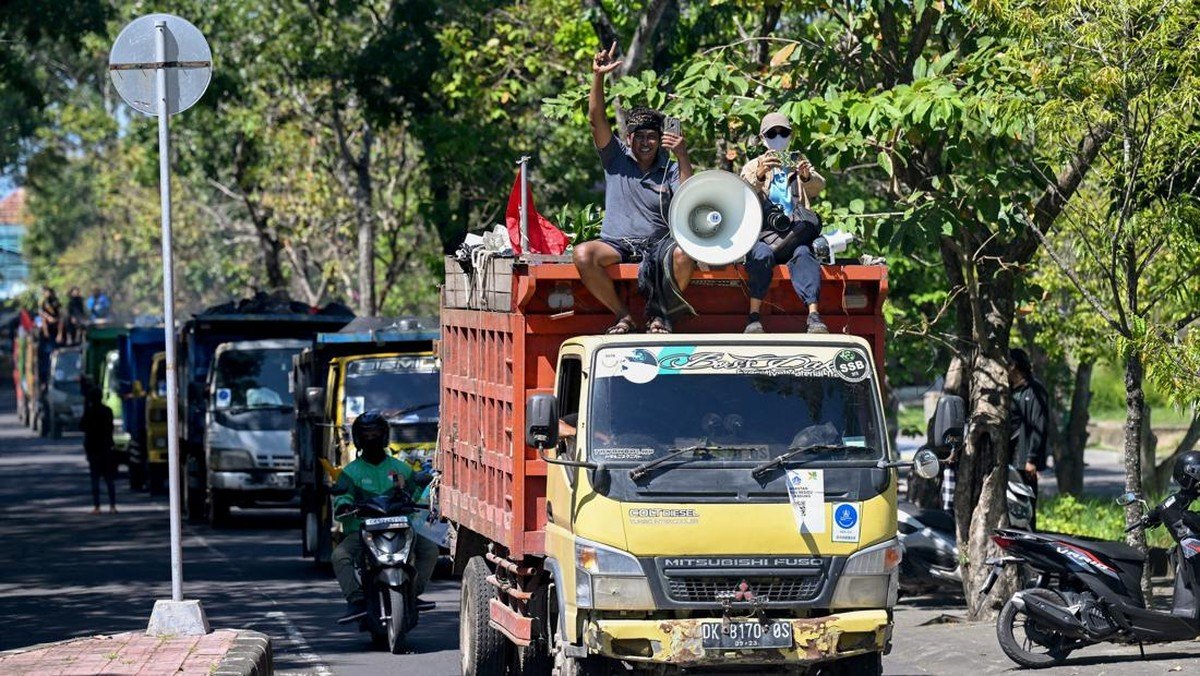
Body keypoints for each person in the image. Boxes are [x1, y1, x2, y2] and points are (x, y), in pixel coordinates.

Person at [573, 42, 695, 335]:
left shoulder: (669, 167)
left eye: (651, 136)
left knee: (684, 253)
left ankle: (660, 315)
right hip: (616, 244)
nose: (645, 142)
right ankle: (624, 315)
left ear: (660, 139)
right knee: (583, 254)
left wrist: (682, 155)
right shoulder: (615, 158)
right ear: (628, 139)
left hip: (658, 247)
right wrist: (598, 76)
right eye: (638, 136)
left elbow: (689, 196)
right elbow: (596, 120)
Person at [332, 411, 439, 624]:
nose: (371, 438)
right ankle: (355, 600)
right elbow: (342, 496)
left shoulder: (399, 468)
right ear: (358, 438)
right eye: (366, 434)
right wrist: (344, 504)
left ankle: (413, 592)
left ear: (384, 436)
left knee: (430, 550)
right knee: (339, 556)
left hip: (400, 527)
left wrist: (422, 485)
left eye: (375, 433)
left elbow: (414, 491)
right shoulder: (350, 472)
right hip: (363, 530)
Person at [740, 112, 829, 334]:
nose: (778, 137)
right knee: (761, 256)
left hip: (794, 233)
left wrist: (806, 176)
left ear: (791, 136)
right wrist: (760, 174)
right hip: (765, 235)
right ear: (763, 138)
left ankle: (814, 315)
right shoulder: (753, 165)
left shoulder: (798, 162)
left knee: (804, 255)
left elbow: (818, 186)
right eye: (772, 133)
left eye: (784, 133)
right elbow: (741, 193)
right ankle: (754, 316)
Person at [1009, 348, 1049, 529]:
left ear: (1014, 366)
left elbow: (1039, 426)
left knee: (1025, 507)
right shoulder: (1009, 390)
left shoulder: (1035, 390)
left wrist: (1031, 459)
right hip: (1009, 460)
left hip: (1024, 462)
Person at [80, 387, 117, 514]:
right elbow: (111, 427)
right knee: (109, 479)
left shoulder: (89, 412)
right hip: (106, 448)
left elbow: (82, 426)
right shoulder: (107, 411)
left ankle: (97, 507)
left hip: (93, 449)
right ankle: (112, 506)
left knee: (95, 479)